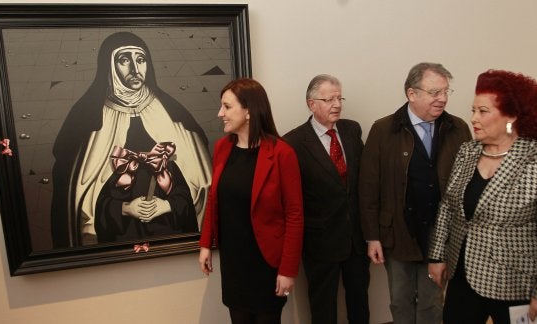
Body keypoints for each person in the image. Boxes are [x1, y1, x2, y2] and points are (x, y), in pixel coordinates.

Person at [51, 32, 211, 247]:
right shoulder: (87, 121)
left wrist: (168, 205)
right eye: (125, 60)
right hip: (118, 233)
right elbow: (78, 196)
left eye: (141, 60)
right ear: (109, 66)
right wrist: (125, 208)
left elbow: (201, 182)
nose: (135, 70)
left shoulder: (173, 115)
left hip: (172, 229)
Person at [359, 62, 471, 324]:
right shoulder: (384, 130)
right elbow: (368, 188)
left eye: (445, 91)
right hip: (398, 233)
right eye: (434, 92)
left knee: (432, 303)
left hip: (441, 234)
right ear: (412, 94)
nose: (442, 99)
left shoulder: (458, 129)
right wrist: (372, 237)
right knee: (401, 301)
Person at [428, 69, 537, 324]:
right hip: (462, 274)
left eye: (483, 111)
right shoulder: (468, 151)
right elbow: (448, 207)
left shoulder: (532, 159)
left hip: (514, 281)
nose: (473, 118)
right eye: (473, 110)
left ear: (510, 116)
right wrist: (437, 256)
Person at [198, 78, 304, 324]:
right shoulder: (222, 148)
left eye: (227, 107)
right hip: (234, 261)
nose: (220, 113)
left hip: (267, 263)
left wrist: (288, 270)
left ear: (248, 111)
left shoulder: (282, 153)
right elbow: (215, 199)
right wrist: (206, 244)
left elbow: (295, 215)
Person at [283, 74, 370, 324]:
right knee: (323, 308)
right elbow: (293, 199)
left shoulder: (352, 130)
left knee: (359, 302)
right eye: (329, 99)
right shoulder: (294, 142)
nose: (337, 104)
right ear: (312, 104)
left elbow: (360, 182)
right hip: (320, 242)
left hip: (355, 239)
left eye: (339, 97)